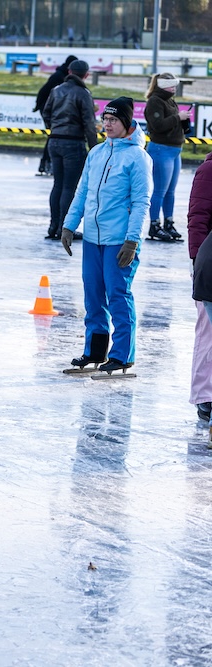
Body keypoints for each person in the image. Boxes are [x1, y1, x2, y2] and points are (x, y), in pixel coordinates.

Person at [61, 97, 150, 374]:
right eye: (105, 119)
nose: (107, 124)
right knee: (93, 295)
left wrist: (132, 240)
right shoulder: (97, 153)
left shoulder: (137, 157)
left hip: (119, 240)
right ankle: (95, 351)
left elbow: (141, 202)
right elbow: (82, 192)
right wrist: (69, 224)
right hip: (92, 238)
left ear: (126, 122)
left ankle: (123, 355)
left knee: (118, 295)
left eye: (113, 120)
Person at [42, 59, 96, 241]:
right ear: (86, 75)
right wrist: (94, 148)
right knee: (69, 187)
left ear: (69, 72)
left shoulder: (56, 90)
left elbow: (46, 113)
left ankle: (53, 226)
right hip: (74, 142)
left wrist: (53, 128)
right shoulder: (83, 93)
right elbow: (89, 123)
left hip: (54, 141)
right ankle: (65, 229)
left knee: (57, 184)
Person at [144, 72, 190, 242]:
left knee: (170, 191)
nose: (174, 88)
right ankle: (154, 224)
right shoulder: (155, 101)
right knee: (159, 190)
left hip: (174, 150)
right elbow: (157, 125)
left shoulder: (169, 100)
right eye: (171, 85)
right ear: (163, 85)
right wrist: (178, 117)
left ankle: (168, 223)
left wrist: (182, 121)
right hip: (161, 149)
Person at [187, 151, 212, 422]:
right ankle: (204, 395)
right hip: (209, 263)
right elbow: (197, 218)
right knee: (207, 332)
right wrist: (197, 259)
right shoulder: (208, 170)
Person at [33, 55, 77, 176]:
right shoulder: (59, 77)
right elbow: (44, 91)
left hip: (53, 109)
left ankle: (46, 163)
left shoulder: (63, 76)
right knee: (54, 135)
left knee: (53, 136)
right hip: (48, 109)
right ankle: (46, 163)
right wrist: (39, 107)